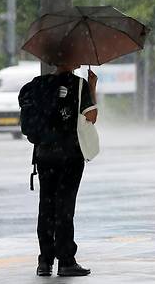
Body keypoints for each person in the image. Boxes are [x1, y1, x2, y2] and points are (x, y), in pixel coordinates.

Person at [33, 62, 98, 277]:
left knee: (46, 206)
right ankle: (66, 261)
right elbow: (91, 117)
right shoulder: (78, 84)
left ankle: (45, 261)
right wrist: (92, 87)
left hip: (43, 155)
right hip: (69, 155)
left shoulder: (39, 84)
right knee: (64, 208)